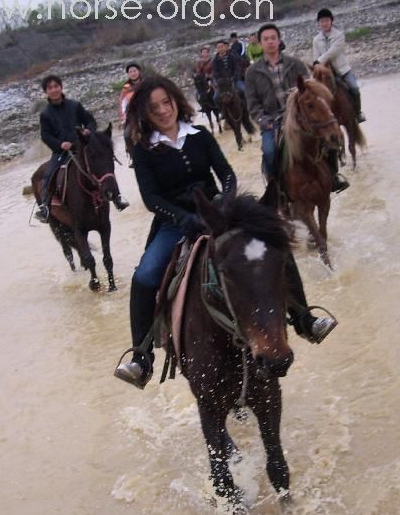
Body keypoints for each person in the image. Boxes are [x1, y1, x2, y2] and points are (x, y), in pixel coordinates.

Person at [113, 75, 337, 389]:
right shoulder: (143, 149)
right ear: (144, 113)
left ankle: (304, 318)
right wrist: (183, 218)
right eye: (154, 107)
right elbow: (152, 199)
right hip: (174, 221)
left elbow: (227, 175)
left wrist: (225, 205)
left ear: (177, 101)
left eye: (167, 102)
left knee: (274, 246)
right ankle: (141, 357)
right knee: (145, 276)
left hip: (218, 211)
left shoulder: (200, 135)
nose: (164, 111)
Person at [245, 22, 349, 192]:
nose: (270, 42)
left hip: (299, 117)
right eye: (266, 39)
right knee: (270, 152)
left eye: (273, 38)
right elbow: (252, 103)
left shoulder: (295, 64)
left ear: (279, 40)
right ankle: (276, 191)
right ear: (261, 42)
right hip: (272, 121)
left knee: (327, 140)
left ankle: (333, 176)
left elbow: (311, 92)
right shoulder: (252, 72)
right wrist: (263, 120)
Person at [36, 75, 128, 223]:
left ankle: (116, 197)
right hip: (62, 152)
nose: (54, 90)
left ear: (61, 87)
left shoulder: (74, 105)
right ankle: (45, 208)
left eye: (56, 86)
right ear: (46, 91)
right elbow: (45, 135)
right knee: (48, 174)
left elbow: (90, 120)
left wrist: (89, 131)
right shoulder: (45, 114)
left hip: (81, 147)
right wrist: (59, 144)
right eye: (50, 88)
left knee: (103, 166)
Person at [312, 8, 366, 123]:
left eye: (326, 20)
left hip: (342, 70)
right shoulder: (316, 40)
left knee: (354, 88)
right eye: (321, 21)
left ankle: (358, 113)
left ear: (331, 21)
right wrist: (316, 66)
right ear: (318, 23)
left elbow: (333, 52)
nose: (324, 23)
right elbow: (315, 56)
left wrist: (319, 60)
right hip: (325, 72)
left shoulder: (339, 35)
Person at [212, 39, 247, 106]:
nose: (220, 49)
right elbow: (215, 72)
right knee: (215, 98)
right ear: (217, 49)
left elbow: (237, 68)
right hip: (223, 83)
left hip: (234, 80)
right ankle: (222, 112)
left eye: (221, 47)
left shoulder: (232, 57)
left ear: (225, 47)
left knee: (244, 91)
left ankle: (249, 108)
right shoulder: (215, 61)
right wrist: (220, 80)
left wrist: (234, 77)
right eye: (218, 47)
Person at [119, 61, 143, 158]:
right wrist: (124, 117)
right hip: (133, 114)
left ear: (139, 71)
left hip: (147, 111)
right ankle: (134, 157)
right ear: (128, 74)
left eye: (134, 70)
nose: (133, 73)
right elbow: (122, 103)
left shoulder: (146, 83)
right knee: (127, 135)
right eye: (130, 72)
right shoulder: (126, 88)